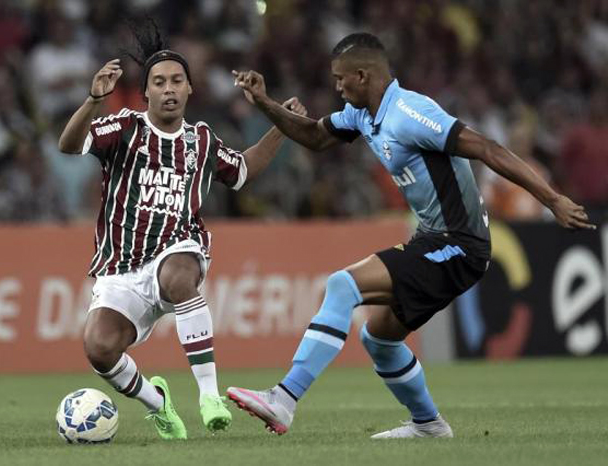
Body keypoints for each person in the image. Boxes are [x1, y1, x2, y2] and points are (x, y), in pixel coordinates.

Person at [227, 33, 595, 439]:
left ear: (363, 76)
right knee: (380, 338)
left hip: (459, 245)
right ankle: (428, 424)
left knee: (342, 285)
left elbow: (487, 148)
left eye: (340, 79)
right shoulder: (362, 114)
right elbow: (315, 136)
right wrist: (265, 103)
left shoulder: (410, 112)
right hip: (432, 240)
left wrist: (553, 199)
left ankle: (284, 398)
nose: (336, 87)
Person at [58, 22, 305, 440]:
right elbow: (68, 145)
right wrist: (93, 101)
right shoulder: (123, 128)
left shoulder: (202, 140)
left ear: (190, 89)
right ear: (146, 93)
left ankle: (209, 396)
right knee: (99, 349)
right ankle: (158, 403)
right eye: (159, 82)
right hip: (121, 266)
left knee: (178, 272)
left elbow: (243, 171)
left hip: (178, 248)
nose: (168, 88)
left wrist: (281, 125)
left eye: (176, 80)